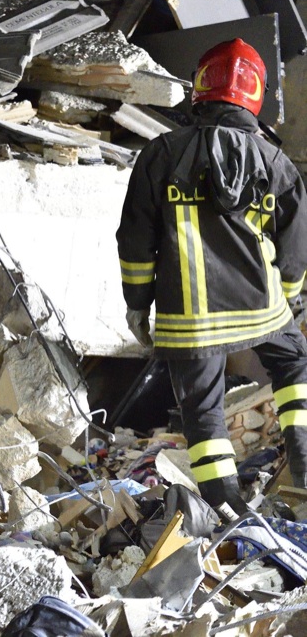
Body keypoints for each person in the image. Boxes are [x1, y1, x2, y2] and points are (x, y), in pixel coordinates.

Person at [117, 38, 307, 520]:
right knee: (294, 368)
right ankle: (305, 469)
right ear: (256, 94)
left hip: (190, 318)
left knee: (203, 412)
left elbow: (135, 241)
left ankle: (229, 511)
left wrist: (138, 304)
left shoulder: (160, 154)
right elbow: (295, 248)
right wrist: (287, 300)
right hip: (261, 307)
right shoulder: (276, 164)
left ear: (201, 87)